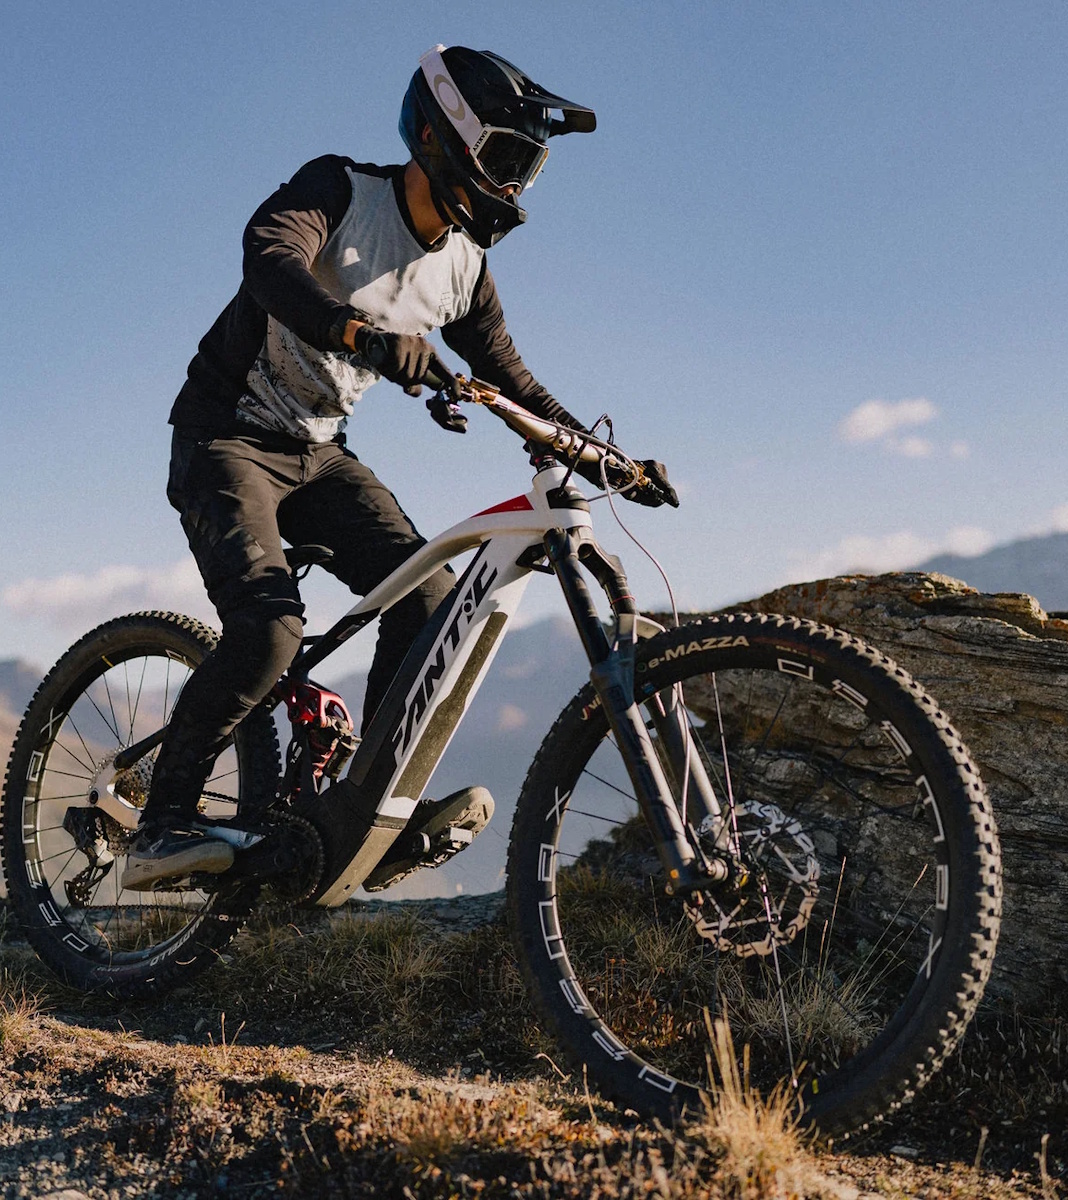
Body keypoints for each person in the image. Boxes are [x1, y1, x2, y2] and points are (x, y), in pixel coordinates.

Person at [123, 45, 676, 890]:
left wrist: (610, 460)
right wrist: (360, 333)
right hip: (224, 438)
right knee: (269, 631)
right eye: (504, 156)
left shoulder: (465, 269)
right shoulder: (341, 190)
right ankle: (159, 826)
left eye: (527, 167)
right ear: (437, 136)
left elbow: (510, 377)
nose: (514, 183)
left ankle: (362, 810)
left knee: (428, 600)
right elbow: (269, 258)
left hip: (318, 453)